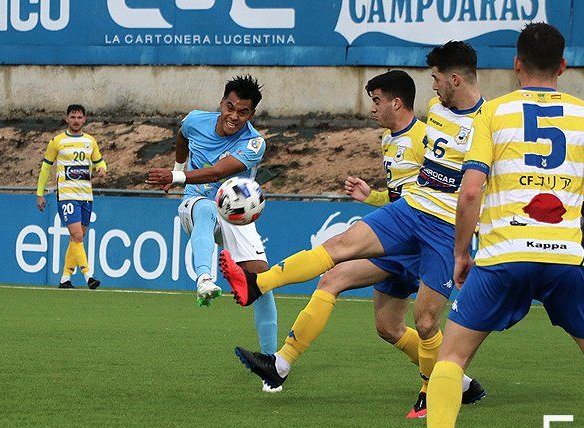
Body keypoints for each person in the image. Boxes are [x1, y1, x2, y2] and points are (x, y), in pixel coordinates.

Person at [413, 23, 584, 428]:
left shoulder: (492, 114)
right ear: (563, 66)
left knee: (451, 360)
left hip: (503, 258)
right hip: (565, 262)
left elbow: (470, 192)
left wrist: (461, 253)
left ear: (516, 64)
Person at [221, 43, 485, 400]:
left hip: (436, 232)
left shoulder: (443, 130)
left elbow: (471, 185)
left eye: (377, 100)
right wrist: (373, 197)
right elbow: (410, 188)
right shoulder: (420, 121)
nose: (433, 87)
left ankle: (433, 389)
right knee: (386, 325)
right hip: (408, 218)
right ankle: (460, 384)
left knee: (422, 320)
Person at [146, 75, 278, 360]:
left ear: (251, 114)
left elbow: (218, 172)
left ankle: (270, 360)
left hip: (236, 215)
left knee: (262, 282)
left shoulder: (255, 143)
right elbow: (182, 135)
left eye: (242, 112)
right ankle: (205, 279)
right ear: (221, 103)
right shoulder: (195, 120)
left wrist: (175, 176)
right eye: (229, 107)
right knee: (205, 208)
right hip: (197, 203)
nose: (233, 116)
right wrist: (178, 166)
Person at [36, 104, 106, 289]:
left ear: (84, 119)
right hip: (67, 195)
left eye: (79, 117)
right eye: (72, 117)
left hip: (86, 196)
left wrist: (101, 169)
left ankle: (65, 278)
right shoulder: (57, 141)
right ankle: (88, 275)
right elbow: (45, 167)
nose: (76, 120)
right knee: (77, 235)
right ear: (67, 119)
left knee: (77, 237)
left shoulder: (90, 141)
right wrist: (40, 193)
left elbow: (100, 161)